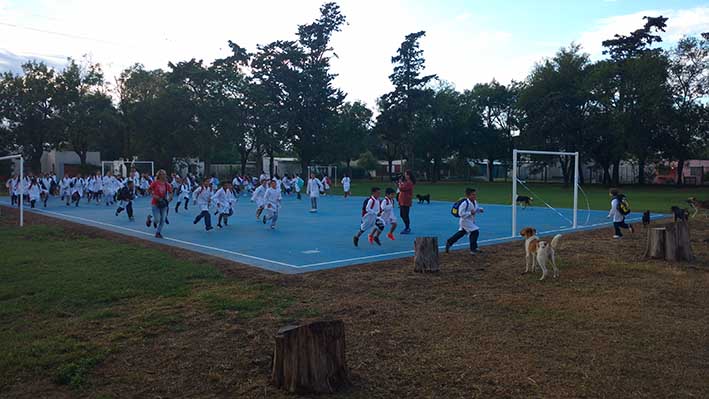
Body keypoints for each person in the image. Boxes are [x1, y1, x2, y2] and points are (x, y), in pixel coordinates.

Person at [445, 188, 484, 255]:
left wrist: (479, 210)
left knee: (462, 233)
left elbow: (475, 209)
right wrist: (470, 213)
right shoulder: (464, 203)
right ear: (468, 196)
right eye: (473, 195)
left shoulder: (475, 202)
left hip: (470, 221)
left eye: (475, 194)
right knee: (475, 232)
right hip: (465, 221)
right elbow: (461, 214)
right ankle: (473, 249)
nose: (475, 196)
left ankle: (449, 242)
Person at [145, 169, 173, 238]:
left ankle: (158, 232)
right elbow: (149, 190)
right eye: (163, 174)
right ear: (159, 175)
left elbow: (171, 192)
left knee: (163, 219)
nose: (164, 175)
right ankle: (150, 219)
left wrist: (169, 199)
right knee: (157, 219)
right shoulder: (155, 183)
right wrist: (154, 195)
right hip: (155, 203)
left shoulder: (167, 184)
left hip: (163, 203)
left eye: (165, 174)